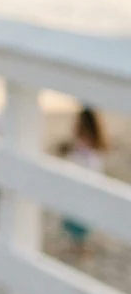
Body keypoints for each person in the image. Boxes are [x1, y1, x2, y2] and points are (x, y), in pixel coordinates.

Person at [59, 106, 107, 250]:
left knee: (82, 216)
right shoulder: (90, 143)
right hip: (80, 183)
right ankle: (78, 244)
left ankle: (80, 245)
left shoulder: (91, 148)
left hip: (85, 183)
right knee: (77, 215)